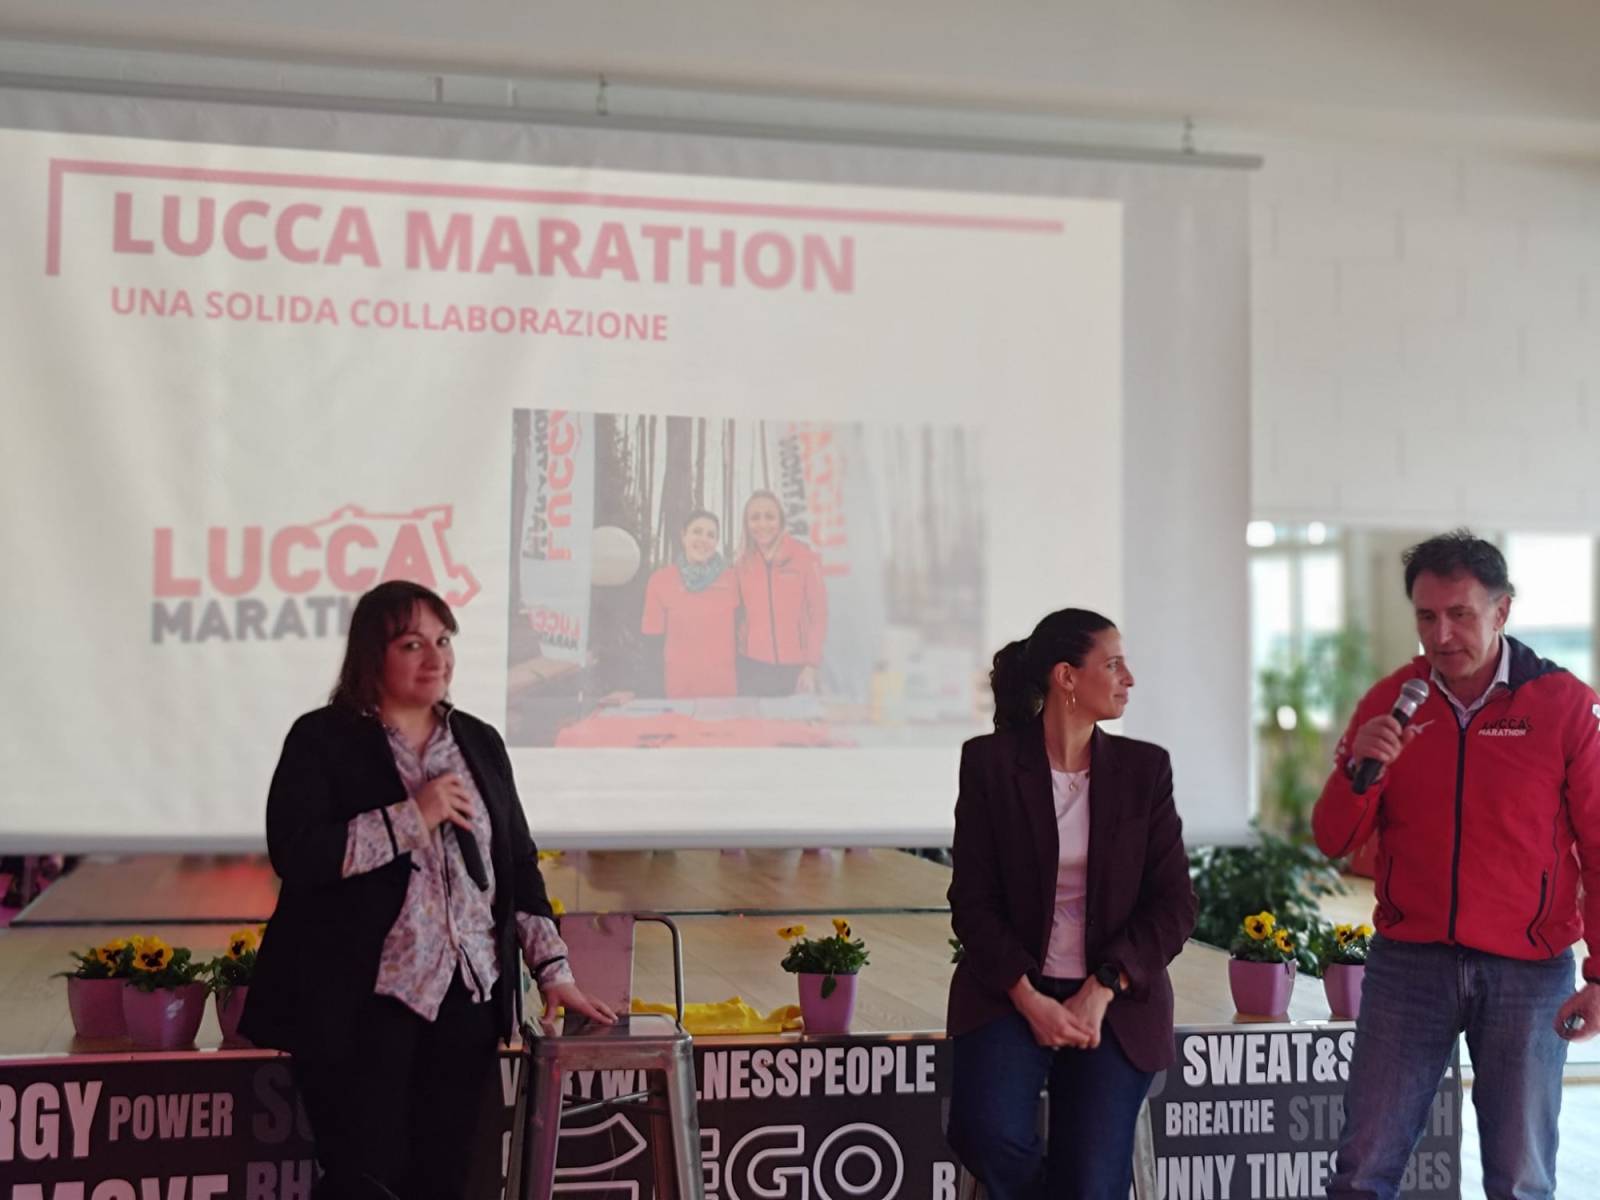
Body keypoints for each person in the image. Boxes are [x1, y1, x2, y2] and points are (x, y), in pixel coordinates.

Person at [240, 580, 616, 1200]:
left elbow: (516, 866)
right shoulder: (321, 739)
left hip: (466, 1000)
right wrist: (413, 816)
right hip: (359, 1007)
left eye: (443, 641)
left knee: (451, 1178)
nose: (435, 658)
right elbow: (300, 854)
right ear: (372, 655)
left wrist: (553, 971)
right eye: (412, 644)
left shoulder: (479, 741)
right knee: (366, 1178)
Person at [1314, 530, 1600, 1200]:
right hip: (1409, 968)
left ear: (1502, 610)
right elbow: (1332, 838)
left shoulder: (1564, 705)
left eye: (1460, 614)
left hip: (1529, 973)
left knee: (1521, 1179)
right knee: (1362, 1171)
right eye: (1426, 616)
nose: (1441, 635)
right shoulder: (1390, 700)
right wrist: (1363, 771)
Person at [945, 608, 1196, 1200]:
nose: (1128, 678)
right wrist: (1029, 998)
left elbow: (1175, 904)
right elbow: (972, 901)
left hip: (1115, 1004)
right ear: (1066, 677)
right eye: (1113, 665)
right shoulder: (990, 764)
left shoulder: (1144, 770)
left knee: (1090, 1183)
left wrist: (1103, 986)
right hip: (1009, 994)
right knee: (985, 1134)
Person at [733, 490, 828, 696]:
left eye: (770, 516)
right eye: (755, 518)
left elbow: (819, 615)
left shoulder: (805, 558)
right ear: (746, 524)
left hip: (795, 669)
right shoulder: (742, 565)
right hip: (752, 668)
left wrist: (811, 665)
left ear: (781, 521)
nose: (762, 524)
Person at [641, 509, 740, 698]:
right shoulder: (661, 580)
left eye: (711, 535)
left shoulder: (732, 580)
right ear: (683, 536)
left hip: (723, 691)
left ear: (716, 542)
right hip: (679, 691)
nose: (703, 539)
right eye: (697, 531)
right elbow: (651, 644)